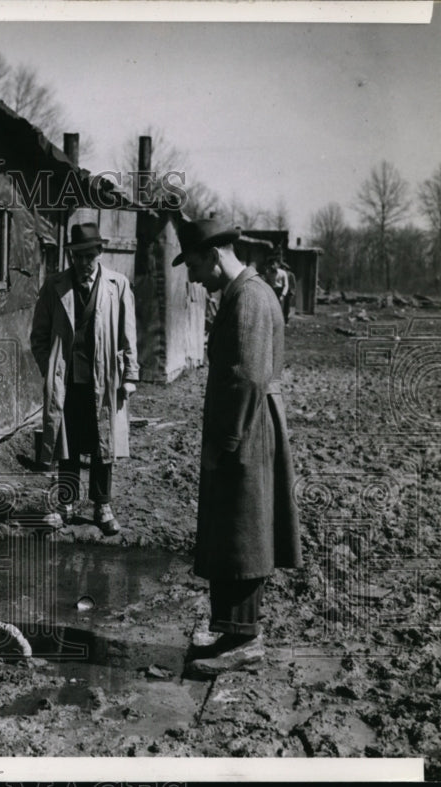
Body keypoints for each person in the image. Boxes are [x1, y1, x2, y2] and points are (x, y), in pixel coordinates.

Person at [171, 217, 302, 675]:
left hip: (245, 430)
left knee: (245, 531)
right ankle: (229, 627)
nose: (192, 277)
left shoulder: (249, 297)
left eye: (193, 265)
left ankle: (245, 641)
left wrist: (226, 442)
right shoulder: (245, 292)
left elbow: (246, 378)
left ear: (214, 255)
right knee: (233, 529)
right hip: (244, 425)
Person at [30, 222, 138, 535]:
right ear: (71, 256)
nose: (83, 263)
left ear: (99, 253)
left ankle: (102, 506)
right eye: (77, 256)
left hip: (105, 380)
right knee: (68, 444)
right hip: (67, 380)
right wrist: (50, 368)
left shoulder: (117, 285)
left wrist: (130, 375)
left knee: (103, 444)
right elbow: (38, 336)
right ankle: (66, 504)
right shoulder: (55, 286)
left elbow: (128, 335)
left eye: (89, 256)